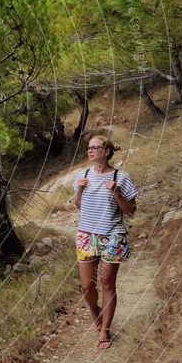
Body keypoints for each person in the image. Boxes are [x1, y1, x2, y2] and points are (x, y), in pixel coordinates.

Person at [72, 136, 138, 349]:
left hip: (112, 236)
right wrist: (80, 190)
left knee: (107, 282)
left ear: (106, 151)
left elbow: (131, 211)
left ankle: (105, 330)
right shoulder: (82, 175)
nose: (90, 151)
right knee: (86, 285)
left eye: (95, 147)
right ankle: (94, 311)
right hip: (86, 236)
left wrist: (117, 193)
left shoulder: (122, 177)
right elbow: (77, 205)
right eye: (88, 148)